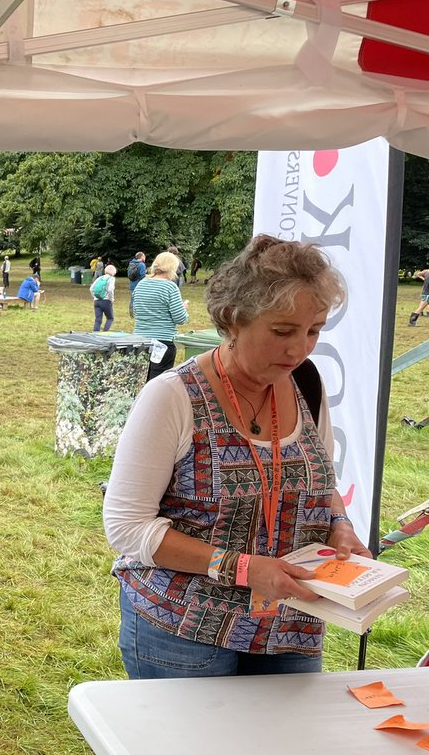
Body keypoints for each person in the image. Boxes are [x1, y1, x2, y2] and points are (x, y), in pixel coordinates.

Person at [103, 234, 368, 683]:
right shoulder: (172, 396)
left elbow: (320, 481)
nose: (299, 348)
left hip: (289, 624)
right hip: (185, 628)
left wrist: (338, 523)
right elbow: (126, 528)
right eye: (282, 331)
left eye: (314, 330)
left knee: (282, 752)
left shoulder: (305, 381)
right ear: (233, 319)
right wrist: (242, 568)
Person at [131, 251, 190, 382]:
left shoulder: (141, 284)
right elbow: (180, 318)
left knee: (139, 382)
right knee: (157, 385)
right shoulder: (170, 287)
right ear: (173, 268)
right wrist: (184, 309)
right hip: (163, 342)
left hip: (139, 341)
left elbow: (136, 311)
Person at [91, 263, 117, 331]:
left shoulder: (100, 278)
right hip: (106, 301)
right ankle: (105, 332)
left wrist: (94, 297)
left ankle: (95, 333)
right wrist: (111, 299)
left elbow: (91, 288)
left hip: (96, 301)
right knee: (110, 318)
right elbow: (110, 290)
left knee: (98, 319)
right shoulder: (111, 279)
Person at [126, 252, 147, 317]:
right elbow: (142, 276)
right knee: (140, 299)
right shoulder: (141, 265)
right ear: (142, 257)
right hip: (139, 284)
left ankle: (131, 313)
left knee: (133, 298)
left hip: (132, 284)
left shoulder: (131, 263)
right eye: (144, 256)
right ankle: (139, 313)